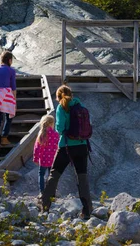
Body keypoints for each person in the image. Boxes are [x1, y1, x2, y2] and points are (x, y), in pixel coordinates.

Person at [41, 85, 92, 219]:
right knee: (82, 177)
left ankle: (45, 208)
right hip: (82, 146)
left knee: (54, 175)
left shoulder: (61, 107)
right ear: (71, 94)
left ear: (59, 97)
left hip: (66, 147)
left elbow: (60, 128)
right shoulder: (80, 105)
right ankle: (87, 211)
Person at [33, 114, 59, 195]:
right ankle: (52, 192)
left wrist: (35, 158)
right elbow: (58, 147)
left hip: (43, 159)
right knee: (52, 176)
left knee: (41, 174)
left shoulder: (41, 134)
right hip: (53, 159)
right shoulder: (56, 134)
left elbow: (37, 148)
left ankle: (42, 191)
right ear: (52, 123)